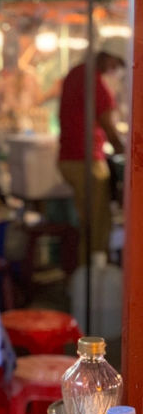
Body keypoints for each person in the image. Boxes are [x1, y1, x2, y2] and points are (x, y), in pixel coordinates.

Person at [57, 42, 125, 263]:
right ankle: (91, 278)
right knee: (97, 225)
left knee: (90, 221)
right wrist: (125, 151)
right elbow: (107, 123)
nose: (114, 70)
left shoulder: (76, 73)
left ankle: (85, 275)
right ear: (107, 57)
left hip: (69, 158)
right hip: (84, 160)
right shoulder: (93, 81)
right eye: (115, 64)